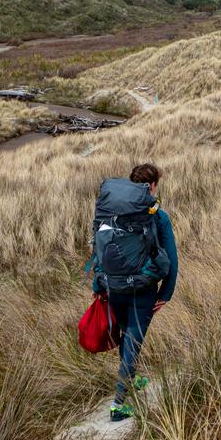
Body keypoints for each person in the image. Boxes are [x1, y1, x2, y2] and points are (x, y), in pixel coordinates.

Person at [91, 163, 179, 422]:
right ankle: (119, 404)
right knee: (133, 341)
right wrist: (166, 293)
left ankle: (132, 377)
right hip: (143, 289)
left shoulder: (109, 213)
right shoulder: (157, 216)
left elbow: (98, 250)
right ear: (151, 186)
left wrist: (99, 286)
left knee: (125, 333)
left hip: (113, 286)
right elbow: (171, 259)